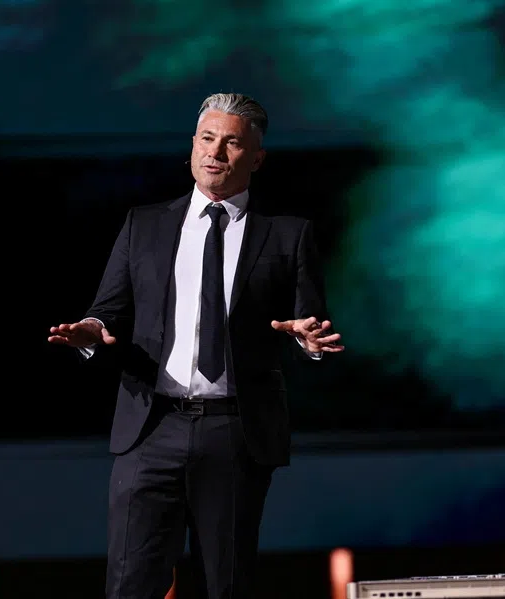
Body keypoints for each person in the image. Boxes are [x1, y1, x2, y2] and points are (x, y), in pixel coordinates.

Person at [48, 92, 344, 598]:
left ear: (256, 157)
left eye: (232, 143)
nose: (215, 152)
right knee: (130, 583)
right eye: (207, 139)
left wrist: (310, 342)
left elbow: (307, 325)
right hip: (149, 428)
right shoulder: (145, 224)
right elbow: (108, 310)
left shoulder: (286, 237)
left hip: (233, 432)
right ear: (191, 146)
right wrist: (92, 332)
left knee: (224, 584)